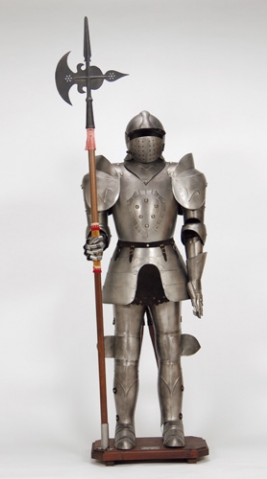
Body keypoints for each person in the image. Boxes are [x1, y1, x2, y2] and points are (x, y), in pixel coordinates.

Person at [83, 111, 207, 450]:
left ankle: (173, 424)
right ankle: (124, 426)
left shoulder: (179, 173)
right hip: (126, 267)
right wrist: (96, 240)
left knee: (170, 353)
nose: (147, 140)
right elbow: (99, 226)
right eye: (140, 135)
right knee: (125, 354)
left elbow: (193, 228)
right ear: (128, 140)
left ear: (164, 138)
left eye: (153, 133)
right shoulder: (109, 174)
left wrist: (195, 280)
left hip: (168, 269)